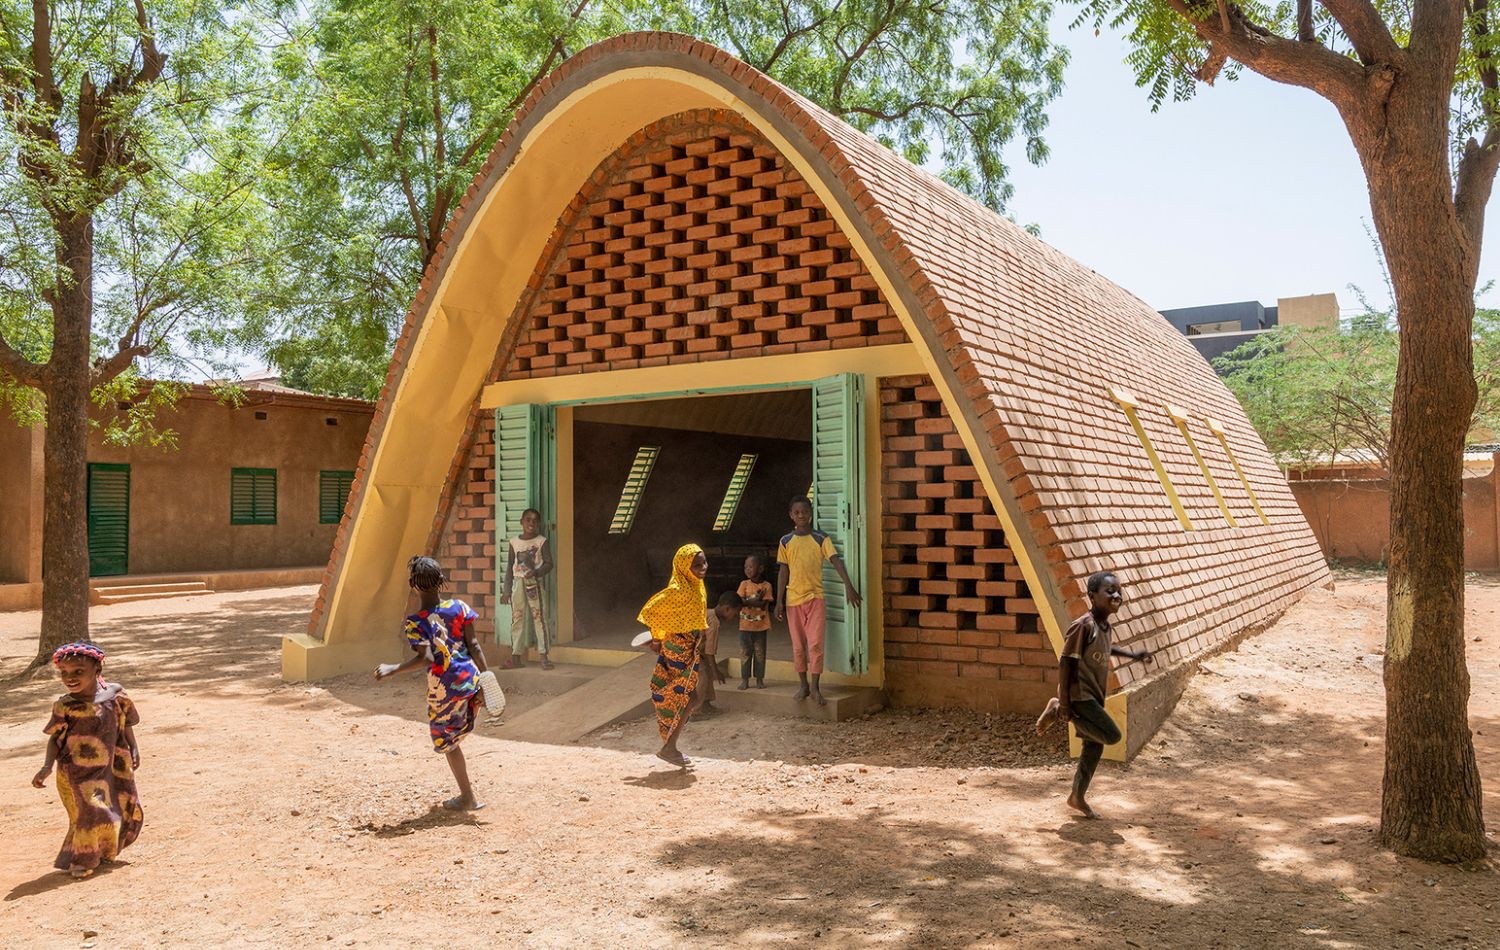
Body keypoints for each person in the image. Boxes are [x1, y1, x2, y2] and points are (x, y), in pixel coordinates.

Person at [374, 555, 491, 811]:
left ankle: (468, 797)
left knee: (447, 741)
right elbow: (474, 644)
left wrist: (393, 669)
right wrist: (487, 677)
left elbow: (426, 658)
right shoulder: (459, 607)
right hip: (469, 677)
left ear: (411, 584)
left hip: (445, 687)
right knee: (460, 721)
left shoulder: (416, 622)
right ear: (442, 580)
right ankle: (475, 699)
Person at [1034, 570, 1153, 818]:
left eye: (1119, 591)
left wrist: (1133, 656)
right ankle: (1056, 710)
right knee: (1111, 735)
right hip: (1079, 695)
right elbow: (1066, 663)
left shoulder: (1104, 627)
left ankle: (1077, 796)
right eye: (1109, 591)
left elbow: (1106, 649)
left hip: (1093, 696)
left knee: (1094, 747)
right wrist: (1065, 704)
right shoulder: (1083, 626)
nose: (1116, 595)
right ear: (1092, 596)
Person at [31, 641, 144, 879]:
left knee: (115, 805)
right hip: (77, 772)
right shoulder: (65, 706)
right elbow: (55, 739)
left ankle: (102, 850)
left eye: (78, 672)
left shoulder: (116, 695)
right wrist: (46, 767)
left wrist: (133, 747)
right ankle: (83, 858)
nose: (70, 678)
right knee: (89, 812)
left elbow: (127, 722)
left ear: (97, 671)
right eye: (64, 673)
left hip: (113, 766)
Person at [774, 495, 862, 706]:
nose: (801, 515)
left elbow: (835, 561)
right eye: (797, 512)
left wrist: (848, 586)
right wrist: (779, 601)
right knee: (798, 646)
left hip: (816, 599)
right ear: (791, 516)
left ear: (811, 514)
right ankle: (803, 685)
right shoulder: (785, 541)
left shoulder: (821, 538)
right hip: (793, 601)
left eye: (805, 512)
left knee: (815, 644)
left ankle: (815, 687)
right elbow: (783, 571)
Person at [640, 543, 709, 767]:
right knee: (689, 697)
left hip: (690, 648)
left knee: (691, 697)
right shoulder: (678, 590)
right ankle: (669, 748)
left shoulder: (697, 586)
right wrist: (656, 638)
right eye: (696, 564)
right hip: (678, 647)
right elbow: (650, 611)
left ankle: (670, 745)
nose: (703, 568)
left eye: (704, 562)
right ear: (682, 566)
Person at [500, 508, 553, 670]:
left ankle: (544, 656)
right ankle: (516, 656)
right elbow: (510, 566)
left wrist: (536, 572)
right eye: (528, 520)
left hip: (533, 583)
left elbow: (549, 564)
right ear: (521, 522)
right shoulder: (514, 542)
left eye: (535, 520)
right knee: (517, 618)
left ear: (538, 524)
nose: (531, 523)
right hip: (517, 584)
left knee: (539, 617)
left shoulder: (541, 541)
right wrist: (506, 590)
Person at [698, 591, 742, 717]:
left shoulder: (707, 612)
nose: (734, 617)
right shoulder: (714, 622)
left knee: (706, 672)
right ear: (727, 609)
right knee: (703, 677)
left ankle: (706, 704)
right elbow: (710, 651)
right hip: (688, 650)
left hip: (695, 649)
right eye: (735, 613)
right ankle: (695, 711)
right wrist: (716, 670)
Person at [737, 554, 775, 690]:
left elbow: (763, 605)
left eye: (751, 566)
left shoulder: (767, 586)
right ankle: (745, 680)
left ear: (760, 569)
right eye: (745, 567)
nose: (747, 569)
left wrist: (749, 602)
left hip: (761, 627)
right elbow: (738, 602)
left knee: (760, 654)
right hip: (745, 627)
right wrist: (754, 601)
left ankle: (759, 679)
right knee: (745, 654)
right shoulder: (744, 584)